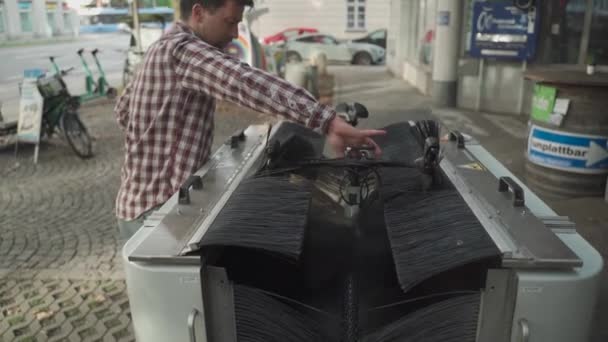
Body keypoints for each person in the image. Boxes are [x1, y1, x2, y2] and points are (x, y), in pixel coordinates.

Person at [114, 0, 386, 240]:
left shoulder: (160, 47)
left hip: (136, 204)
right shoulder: (182, 51)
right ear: (198, 12)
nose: (234, 34)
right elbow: (244, 82)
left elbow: (123, 112)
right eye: (230, 22)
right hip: (155, 214)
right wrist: (327, 120)